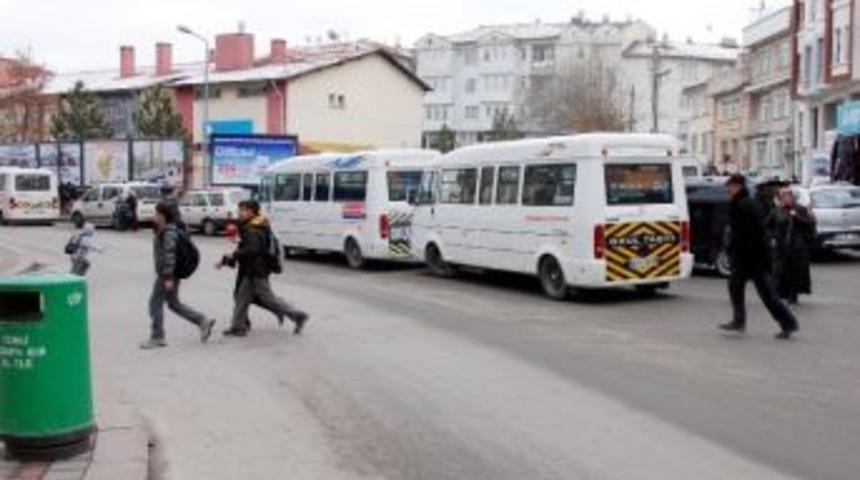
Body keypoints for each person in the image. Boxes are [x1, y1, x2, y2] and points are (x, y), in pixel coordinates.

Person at [720, 174, 800, 340]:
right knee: (735, 286)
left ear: (738, 186)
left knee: (768, 295)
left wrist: (737, 247)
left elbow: (751, 232)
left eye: (730, 186)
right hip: (745, 256)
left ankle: (789, 323)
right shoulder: (740, 203)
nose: (728, 189)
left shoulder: (745, 205)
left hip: (754, 257)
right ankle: (738, 320)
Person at [219, 200, 308, 337]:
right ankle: (238, 327)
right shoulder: (252, 225)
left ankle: (298, 315)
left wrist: (234, 254)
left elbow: (253, 249)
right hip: (251, 269)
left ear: (251, 211)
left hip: (257, 270)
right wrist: (228, 259)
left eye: (242, 210)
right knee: (241, 297)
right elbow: (246, 247)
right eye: (239, 210)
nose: (239, 213)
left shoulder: (253, 228)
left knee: (268, 299)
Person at [141, 201, 215, 349]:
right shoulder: (167, 229)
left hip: (167, 275)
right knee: (174, 304)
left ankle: (157, 337)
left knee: (154, 304)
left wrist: (168, 277)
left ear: (163, 216)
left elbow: (170, 256)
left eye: (156, 213)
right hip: (170, 274)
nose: (154, 216)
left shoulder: (169, 233)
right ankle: (202, 321)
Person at [769, 187, 815, 304]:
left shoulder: (800, 209)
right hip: (780, 246)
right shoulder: (776, 211)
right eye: (783, 196)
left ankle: (792, 295)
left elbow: (809, 225)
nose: (785, 198)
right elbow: (767, 225)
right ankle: (778, 294)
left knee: (794, 272)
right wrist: (773, 236)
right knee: (778, 271)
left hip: (796, 246)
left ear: (792, 197)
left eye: (788, 196)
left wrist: (796, 217)